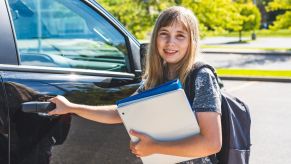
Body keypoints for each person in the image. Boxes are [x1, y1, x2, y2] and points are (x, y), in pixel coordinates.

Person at [48, 6, 222, 164]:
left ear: (192, 41)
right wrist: (71, 107)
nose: (170, 42)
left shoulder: (201, 77)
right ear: (155, 38)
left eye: (180, 36)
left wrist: (154, 147)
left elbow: (211, 143)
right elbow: (120, 113)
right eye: (164, 34)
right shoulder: (156, 78)